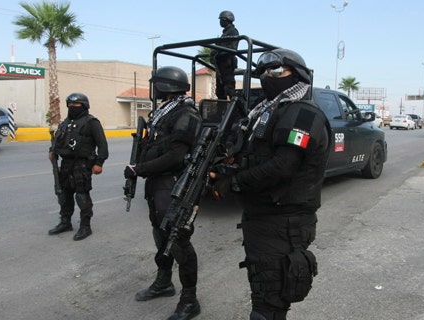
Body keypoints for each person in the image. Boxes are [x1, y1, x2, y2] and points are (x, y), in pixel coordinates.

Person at [210, 49, 332, 320]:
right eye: (263, 73)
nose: (267, 77)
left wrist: (235, 183)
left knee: (269, 305)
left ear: (298, 75)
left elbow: (282, 166)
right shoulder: (266, 112)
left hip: (283, 222)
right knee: (263, 292)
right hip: (263, 218)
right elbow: (253, 156)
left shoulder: (303, 114)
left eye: (276, 72)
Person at [123, 66, 203, 320]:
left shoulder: (186, 114)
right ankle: (164, 282)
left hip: (174, 185)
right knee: (160, 236)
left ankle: (190, 300)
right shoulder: (163, 113)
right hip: (157, 185)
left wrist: (140, 169)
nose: (154, 88)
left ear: (166, 86)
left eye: (157, 84)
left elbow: (176, 156)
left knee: (178, 242)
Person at [48, 93, 109, 241]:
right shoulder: (65, 123)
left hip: (82, 165)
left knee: (82, 196)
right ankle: (65, 222)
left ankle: (85, 226)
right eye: (70, 105)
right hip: (65, 164)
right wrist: (52, 151)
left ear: (84, 106)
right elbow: (58, 141)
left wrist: (99, 163)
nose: (73, 107)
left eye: (76, 105)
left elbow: (102, 145)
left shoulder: (91, 122)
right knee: (64, 195)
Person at [211, 10, 239, 100]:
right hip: (221, 64)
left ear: (225, 19)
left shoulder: (233, 32)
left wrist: (218, 48)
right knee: (220, 91)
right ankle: (221, 111)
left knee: (229, 89)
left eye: (221, 20)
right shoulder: (225, 33)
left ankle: (236, 111)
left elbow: (232, 48)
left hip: (227, 63)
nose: (220, 22)